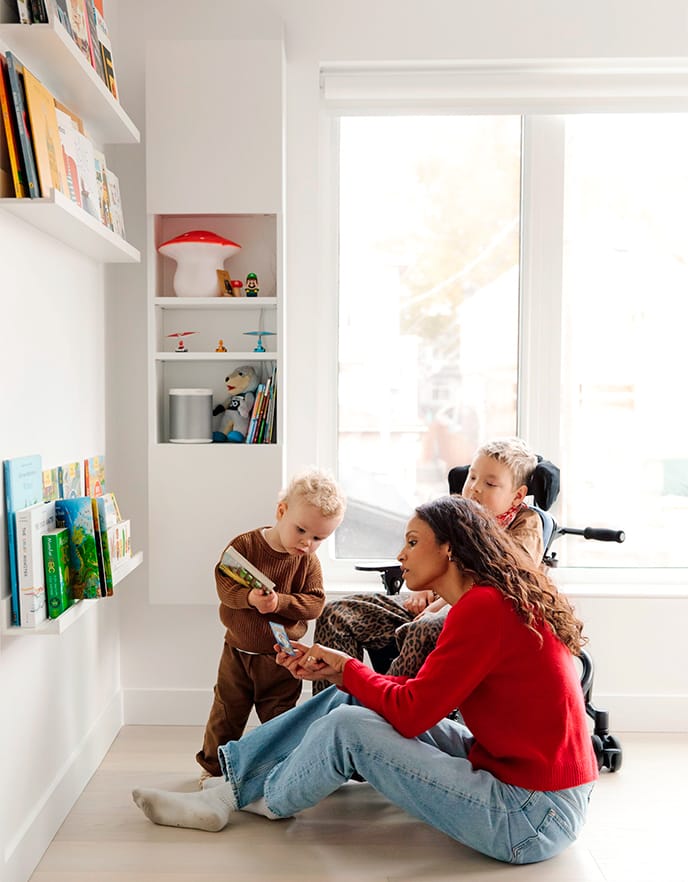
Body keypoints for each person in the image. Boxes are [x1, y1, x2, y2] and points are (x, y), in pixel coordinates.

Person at [133, 495, 597, 864]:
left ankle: (251, 800)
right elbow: (419, 699)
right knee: (345, 700)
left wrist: (350, 668)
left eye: (413, 542)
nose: (401, 554)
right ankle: (230, 788)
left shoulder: (483, 609)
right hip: (525, 780)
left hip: (534, 814)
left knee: (350, 728)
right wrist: (343, 670)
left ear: (449, 549)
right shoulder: (490, 601)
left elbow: (412, 714)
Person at [312, 437, 543, 694]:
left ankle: (378, 707)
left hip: (476, 617)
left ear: (517, 495)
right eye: (472, 478)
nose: (475, 489)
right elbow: (427, 554)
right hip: (431, 603)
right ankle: (329, 710)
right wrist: (424, 583)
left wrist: (441, 601)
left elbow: (502, 581)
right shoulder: (456, 515)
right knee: (337, 614)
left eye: (490, 483)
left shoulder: (527, 524)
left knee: (423, 629)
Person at [195, 467, 346, 783]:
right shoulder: (246, 546)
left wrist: (283, 603)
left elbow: (315, 602)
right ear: (282, 511)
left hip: (282, 656)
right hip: (237, 650)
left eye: (319, 538)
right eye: (302, 530)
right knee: (226, 712)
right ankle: (214, 770)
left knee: (281, 718)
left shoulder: (307, 562)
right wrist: (250, 597)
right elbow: (224, 584)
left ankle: (279, 773)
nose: (307, 543)